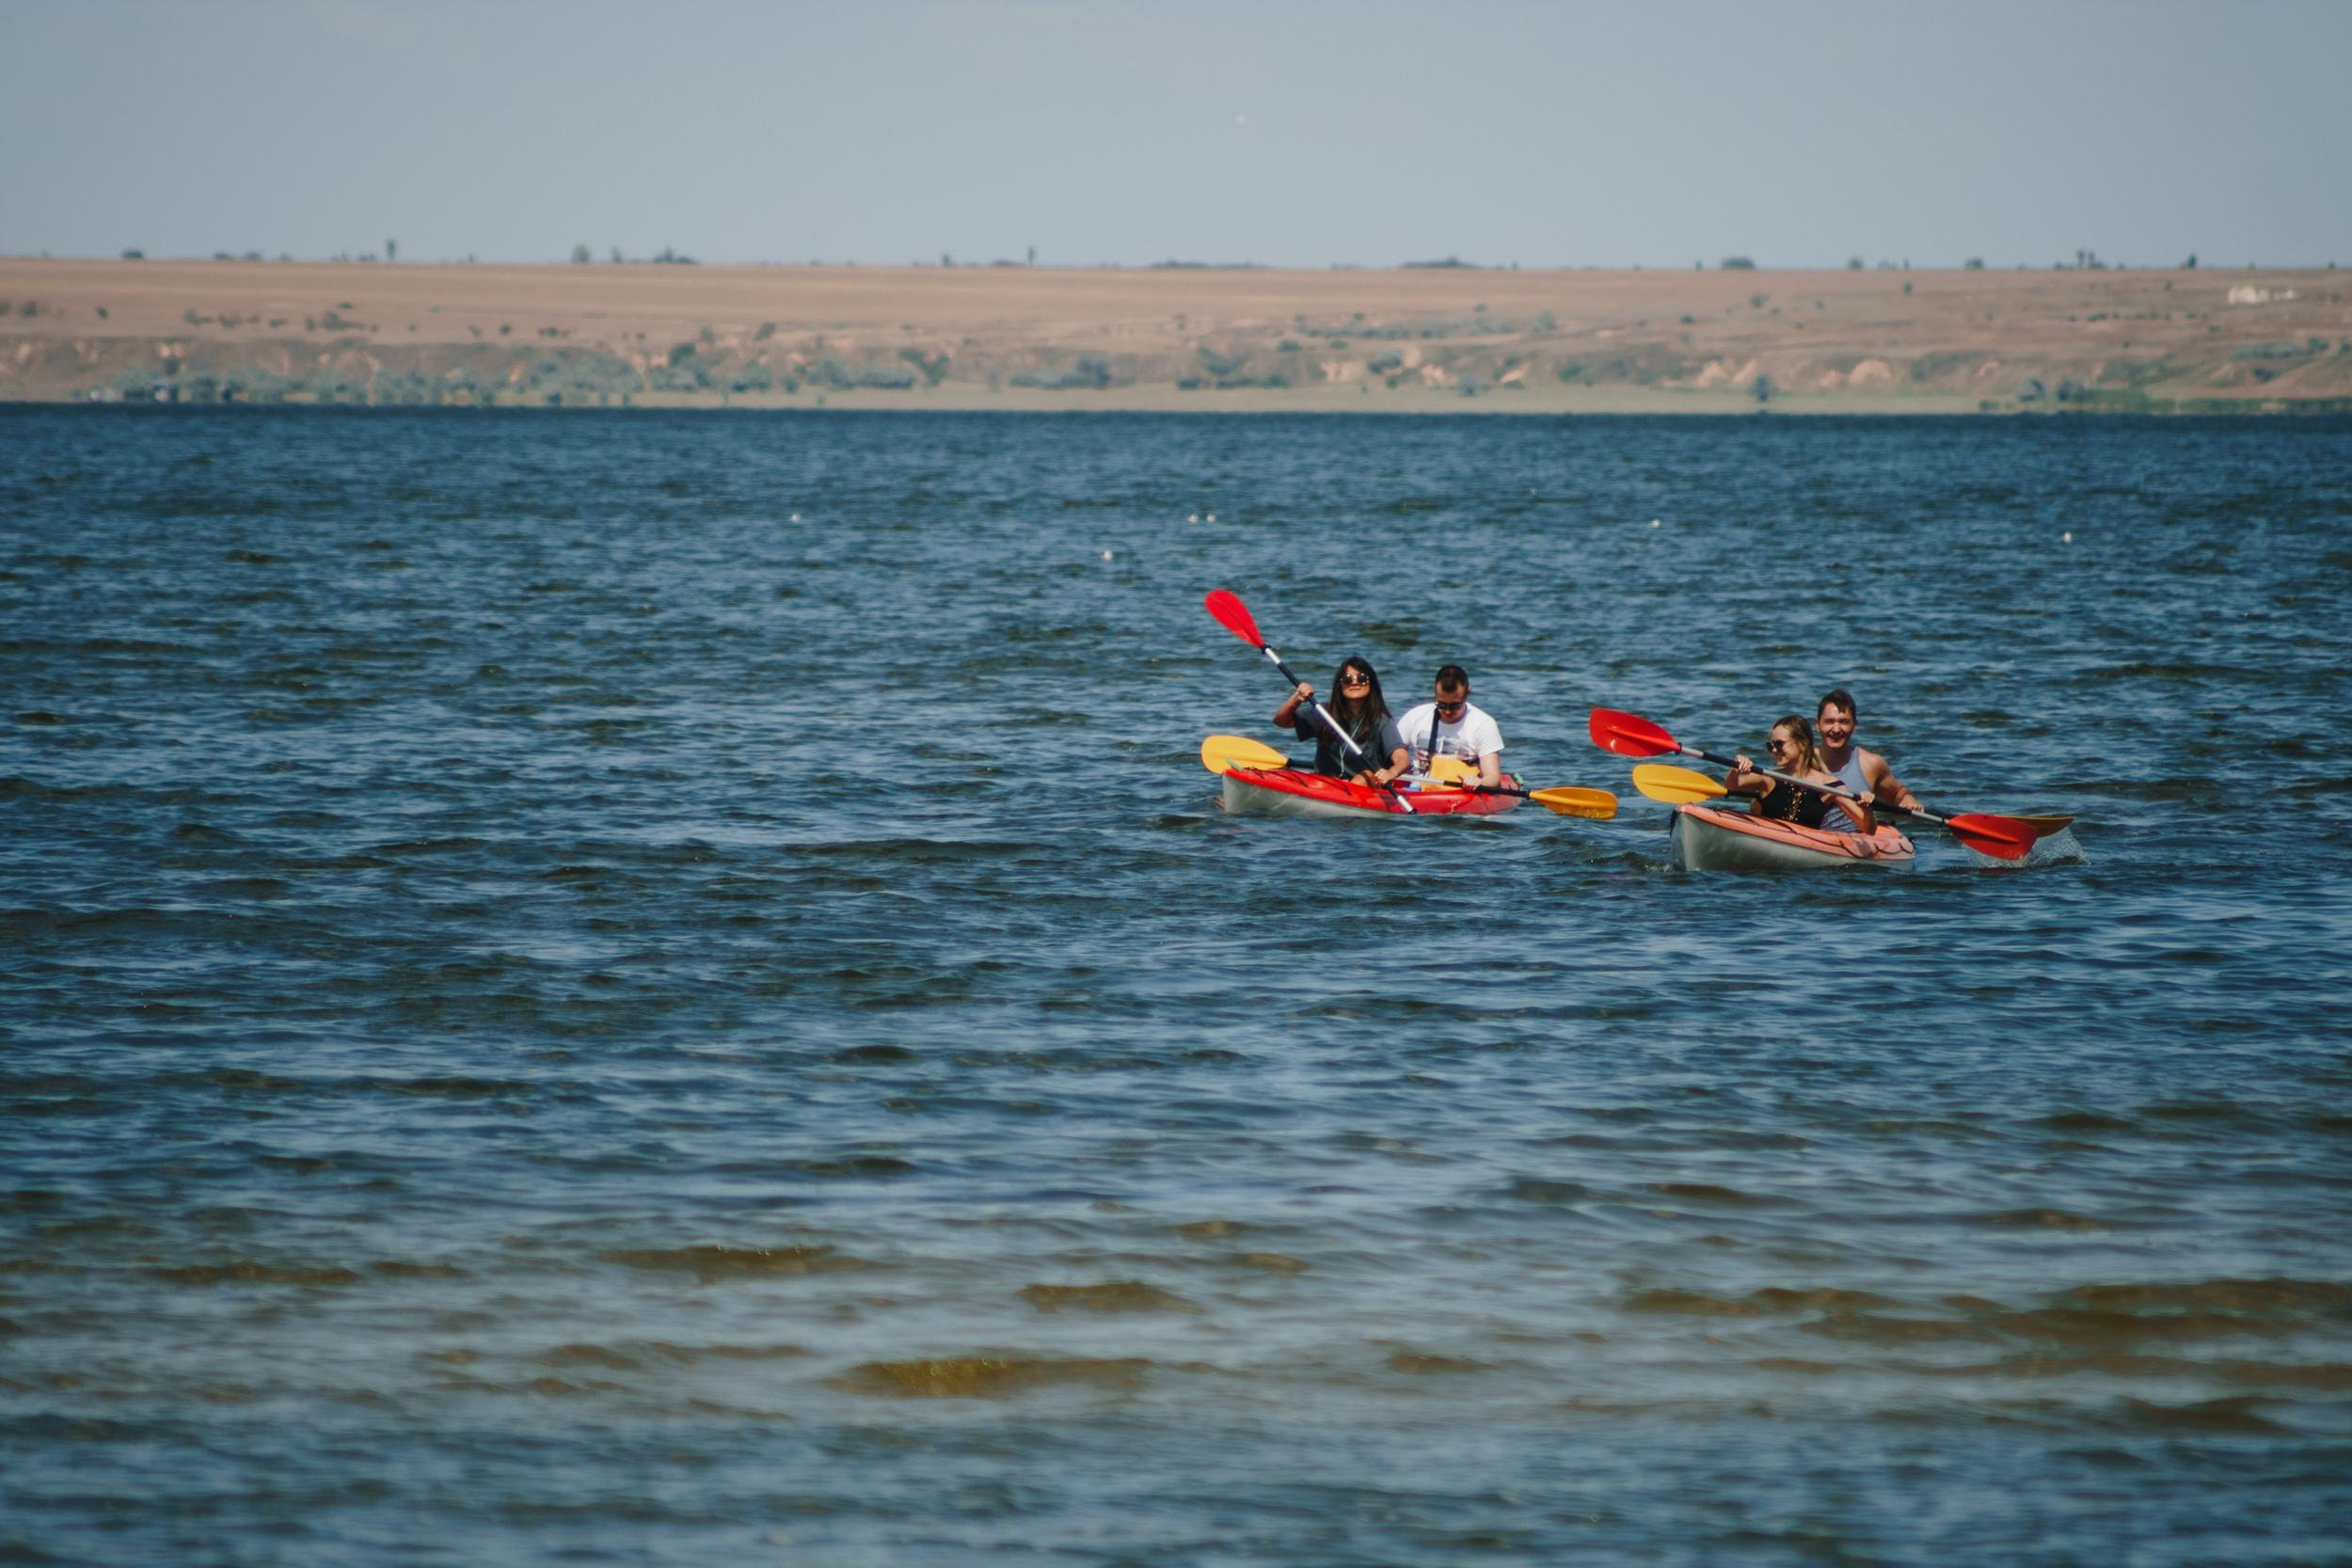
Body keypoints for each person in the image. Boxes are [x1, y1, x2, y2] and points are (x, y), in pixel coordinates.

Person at [1273, 657, 1410, 787]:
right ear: (1340, 685)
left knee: (1366, 776)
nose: (1354, 682)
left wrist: (1391, 772)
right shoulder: (1324, 713)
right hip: (1326, 785)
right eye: (1347, 679)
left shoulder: (1381, 720)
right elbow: (1281, 721)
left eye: (1362, 678)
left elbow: (1402, 757)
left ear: (1371, 684)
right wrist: (1296, 698)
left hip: (1365, 787)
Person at [1724, 715, 1869, 832]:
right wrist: (1735, 769)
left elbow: (1868, 829)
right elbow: (1731, 788)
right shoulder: (1767, 778)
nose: (1774, 750)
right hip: (1764, 841)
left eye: (1779, 744)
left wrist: (1866, 806)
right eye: (1770, 746)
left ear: (1803, 744)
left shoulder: (1830, 786)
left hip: (1805, 851)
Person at [1814, 688, 1919, 832]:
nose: (1836, 729)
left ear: (1854, 726)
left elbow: (1897, 794)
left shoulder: (1871, 764)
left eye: (1844, 722)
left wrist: (1907, 799)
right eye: (1829, 721)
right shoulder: (1803, 761)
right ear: (1817, 724)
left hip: (1854, 838)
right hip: (1808, 835)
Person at [1393, 664, 1506, 787]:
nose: (1447, 712)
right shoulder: (1415, 716)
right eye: (1441, 705)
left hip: (1460, 790)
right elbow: (1391, 754)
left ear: (1468, 693)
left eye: (1455, 706)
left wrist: (1479, 782)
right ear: (1435, 691)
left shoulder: (1484, 724)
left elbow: (1493, 778)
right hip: (1417, 787)